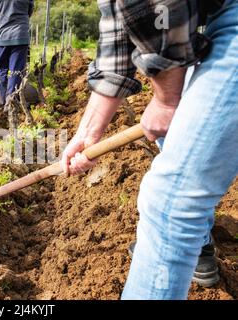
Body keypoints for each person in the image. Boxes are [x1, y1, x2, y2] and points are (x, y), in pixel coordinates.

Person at [61, 0, 236, 299]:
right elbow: (117, 23)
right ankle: (199, 246)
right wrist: (88, 132)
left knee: (170, 202)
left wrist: (167, 99)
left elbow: (159, 6)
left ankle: (182, 239)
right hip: (211, 21)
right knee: (173, 142)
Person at [0, 0, 34, 105]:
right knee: (16, 71)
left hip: (1, 36)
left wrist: (1, 25)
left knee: (1, 69)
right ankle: (11, 102)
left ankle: (3, 101)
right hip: (20, 36)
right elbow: (29, 11)